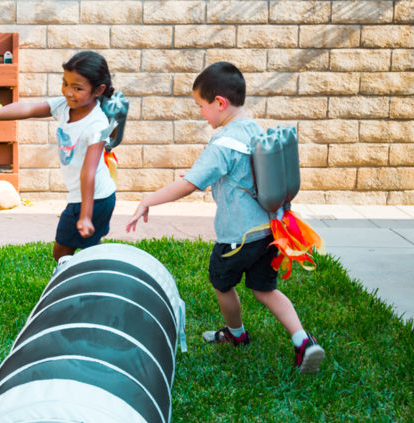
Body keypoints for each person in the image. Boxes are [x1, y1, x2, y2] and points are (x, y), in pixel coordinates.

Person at [124, 61, 325, 374]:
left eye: (201, 107)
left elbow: (188, 185)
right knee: (265, 289)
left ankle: (236, 334)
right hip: (269, 232)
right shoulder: (253, 130)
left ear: (220, 103)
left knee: (222, 284)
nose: (201, 114)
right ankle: (303, 341)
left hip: (237, 238)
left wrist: (148, 200)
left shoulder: (221, 145)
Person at [0, 51, 117, 262]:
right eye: (65, 83)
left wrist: (86, 214)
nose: (68, 92)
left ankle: (80, 281)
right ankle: (99, 274)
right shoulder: (65, 107)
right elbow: (27, 108)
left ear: (98, 90)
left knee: (61, 251)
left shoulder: (96, 125)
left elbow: (88, 172)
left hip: (93, 198)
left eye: (77, 88)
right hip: (91, 196)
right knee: (89, 246)